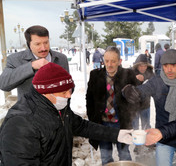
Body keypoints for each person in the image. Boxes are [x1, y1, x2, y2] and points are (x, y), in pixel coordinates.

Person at [0, 62, 133, 165]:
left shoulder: (58, 107)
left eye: (70, 90)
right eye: (64, 92)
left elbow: (82, 126)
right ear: (46, 92)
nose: (69, 96)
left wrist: (118, 135)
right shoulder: (21, 123)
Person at [123, 49, 176, 166]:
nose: (169, 70)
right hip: (163, 139)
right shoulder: (157, 82)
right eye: (165, 66)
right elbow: (142, 90)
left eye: (173, 65)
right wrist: (128, 91)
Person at [86, 46, 139, 165]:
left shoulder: (128, 74)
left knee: (125, 155)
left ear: (119, 61)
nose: (109, 65)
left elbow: (137, 98)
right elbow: (89, 100)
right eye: (107, 61)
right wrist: (92, 120)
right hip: (102, 124)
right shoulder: (95, 75)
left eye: (113, 61)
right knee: (105, 157)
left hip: (121, 124)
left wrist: (131, 118)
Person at [0, 25, 69, 100]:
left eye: (46, 42)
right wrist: (31, 66)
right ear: (29, 44)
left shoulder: (61, 58)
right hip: (29, 110)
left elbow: (69, 86)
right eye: (37, 44)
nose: (43, 48)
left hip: (56, 110)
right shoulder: (15, 59)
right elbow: (4, 84)